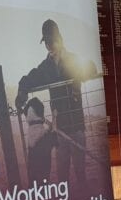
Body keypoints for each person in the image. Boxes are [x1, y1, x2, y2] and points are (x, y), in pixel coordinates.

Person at [15, 19, 97, 185]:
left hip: (77, 124)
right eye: (46, 42)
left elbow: (91, 68)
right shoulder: (46, 67)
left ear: (60, 39)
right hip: (59, 128)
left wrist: (85, 70)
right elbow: (29, 79)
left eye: (52, 40)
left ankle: (82, 194)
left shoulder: (74, 60)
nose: (49, 45)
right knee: (62, 174)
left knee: (80, 170)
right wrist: (21, 92)